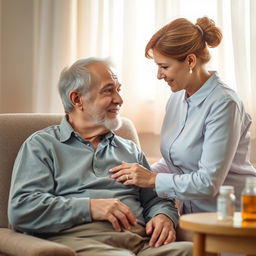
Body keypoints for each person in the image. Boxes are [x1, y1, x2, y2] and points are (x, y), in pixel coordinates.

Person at [8, 58, 192, 256]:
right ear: (77, 99)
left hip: (142, 244)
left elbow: (154, 200)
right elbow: (22, 208)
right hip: (81, 242)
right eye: (108, 90)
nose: (119, 100)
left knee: (193, 251)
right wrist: (90, 207)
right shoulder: (42, 145)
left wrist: (163, 215)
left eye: (118, 90)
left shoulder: (129, 149)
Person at [110, 17, 256, 216]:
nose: (159, 75)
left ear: (190, 60)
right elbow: (175, 162)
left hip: (231, 219)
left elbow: (207, 183)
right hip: (191, 216)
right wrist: (137, 177)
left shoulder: (224, 104)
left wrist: (151, 179)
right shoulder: (177, 97)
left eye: (164, 66)